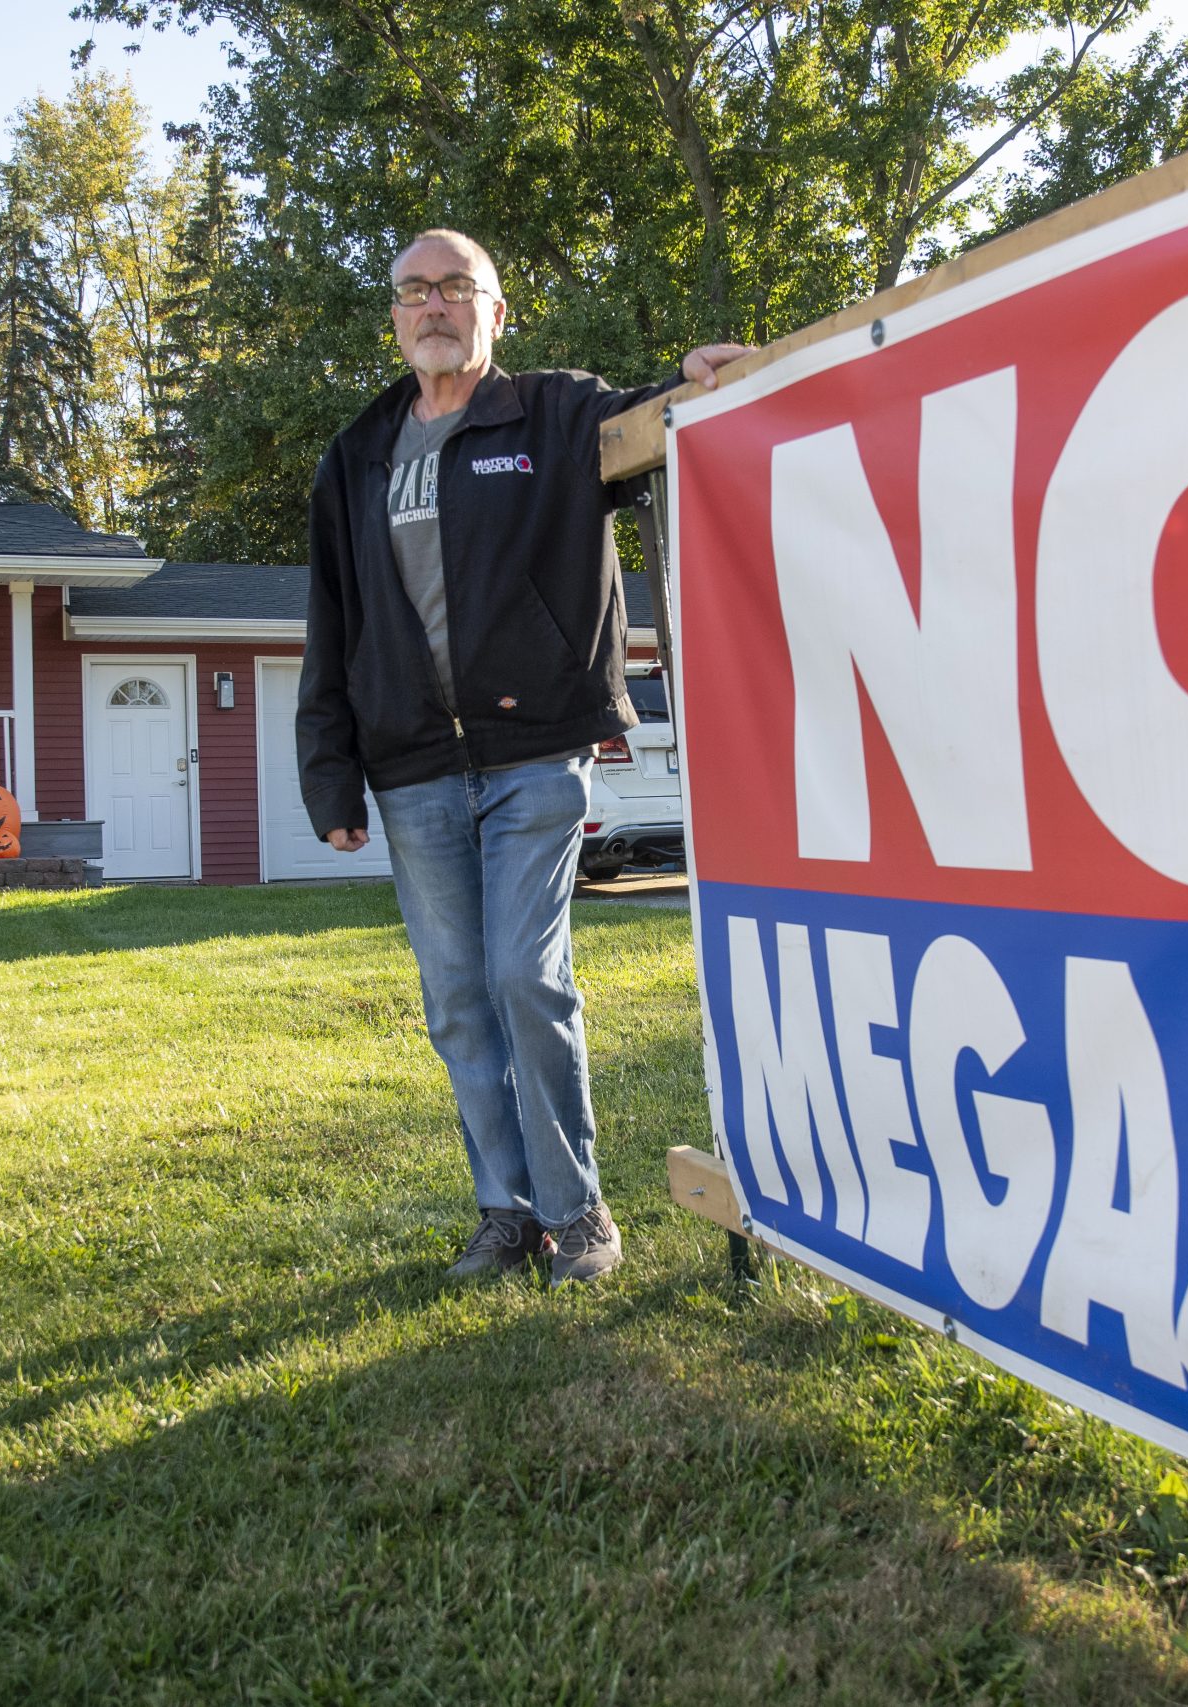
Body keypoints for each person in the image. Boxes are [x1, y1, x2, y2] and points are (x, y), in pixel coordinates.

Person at [298, 228, 751, 1286]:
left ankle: (578, 1211)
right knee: (456, 994)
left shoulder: (547, 412)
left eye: (458, 288)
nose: (435, 306)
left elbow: (638, 418)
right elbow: (332, 619)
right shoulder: (357, 455)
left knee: (521, 975)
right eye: (414, 291)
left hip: (534, 754)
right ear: (395, 316)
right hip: (409, 766)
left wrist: (683, 381)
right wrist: (330, 770)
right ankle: (504, 1211)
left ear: (497, 312)